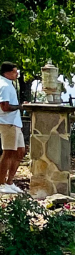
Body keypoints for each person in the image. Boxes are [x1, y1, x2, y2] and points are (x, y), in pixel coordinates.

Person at [0, 62, 24, 194]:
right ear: (7, 73)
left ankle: (10, 182)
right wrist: (20, 107)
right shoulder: (3, 86)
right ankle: (1, 183)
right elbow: (4, 107)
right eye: (15, 71)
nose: (17, 74)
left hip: (15, 123)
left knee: (20, 151)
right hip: (7, 123)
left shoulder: (8, 85)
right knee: (8, 153)